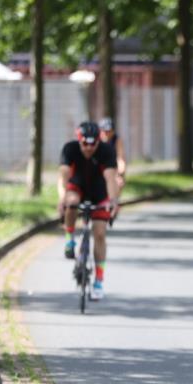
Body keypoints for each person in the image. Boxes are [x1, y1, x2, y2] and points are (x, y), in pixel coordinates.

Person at [58, 121, 118, 301]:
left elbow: (111, 179)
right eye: (85, 143)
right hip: (77, 188)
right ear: (79, 140)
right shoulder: (69, 149)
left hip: (99, 193)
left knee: (99, 233)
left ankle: (99, 280)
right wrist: (62, 199)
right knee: (71, 202)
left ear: (99, 141)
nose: (89, 148)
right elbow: (63, 177)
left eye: (93, 144)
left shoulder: (107, 151)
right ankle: (69, 239)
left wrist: (113, 201)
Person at [98, 117, 127, 196]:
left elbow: (120, 158)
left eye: (109, 131)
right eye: (104, 131)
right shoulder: (96, 142)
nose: (106, 133)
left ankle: (114, 200)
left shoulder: (116, 140)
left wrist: (120, 173)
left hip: (113, 168)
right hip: (99, 168)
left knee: (119, 182)